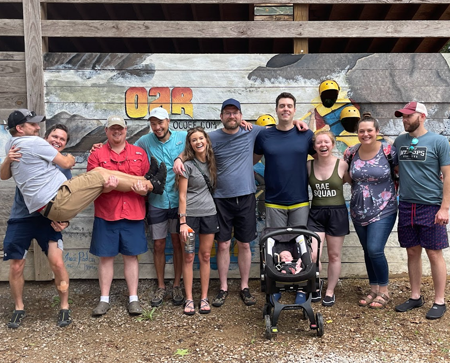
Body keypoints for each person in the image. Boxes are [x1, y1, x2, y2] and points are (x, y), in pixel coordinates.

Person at [174, 98, 309, 308]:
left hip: (246, 196)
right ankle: (224, 287)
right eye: (227, 113)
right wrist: (179, 159)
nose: (231, 116)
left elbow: (281, 127)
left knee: (245, 244)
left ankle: (245, 286)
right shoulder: (212, 137)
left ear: (241, 115)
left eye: (235, 112)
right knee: (224, 244)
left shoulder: (253, 131)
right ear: (221, 117)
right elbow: (194, 146)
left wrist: (299, 122)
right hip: (220, 198)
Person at [3, 109, 167, 223]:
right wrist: (70, 157)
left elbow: (5, 175)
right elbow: (67, 163)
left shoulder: (11, 144)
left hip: (52, 203)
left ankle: (146, 179)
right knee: (102, 175)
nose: (38, 127)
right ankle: (152, 184)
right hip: (55, 201)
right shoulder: (33, 142)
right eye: (33, 124)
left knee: (100, 171)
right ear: (19, 128)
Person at [1, 121, 73, 328]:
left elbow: (69, 199)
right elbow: (4, 175)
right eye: (55, 137)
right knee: (16, 265)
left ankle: (65, 307)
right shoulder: (25, 152)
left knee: (57, 263)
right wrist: (7, 160)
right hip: (21, 218)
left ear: (64, 145)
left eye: (62, 139)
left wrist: (66, 221)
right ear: (45, 138)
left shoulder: (62, 168)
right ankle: (18, 308)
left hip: (47, 219)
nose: (57, 141)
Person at [254, 92, 316, 304]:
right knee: (275, 246)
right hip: (273, 200)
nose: (286, 109)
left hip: (299, 200)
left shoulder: (306, 135)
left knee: (301, 245)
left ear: (294, 109)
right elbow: (251, 159)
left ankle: (301, 289)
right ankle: (275, 286)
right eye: (282, 106)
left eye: (289, 106)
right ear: (277, 109)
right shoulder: (265, 135)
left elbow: (322, 158)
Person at [393, 102, 450, 320]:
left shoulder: (438, 142)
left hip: (431, 205)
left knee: (434, 252)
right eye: (403, 117)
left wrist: (445, 207)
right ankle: (415, 296)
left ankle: (439, 300)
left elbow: (447, 175)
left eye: (409, 116)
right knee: (412, 251)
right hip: (407, 204)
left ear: (422, 116)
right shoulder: (400, 141)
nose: (405, 120)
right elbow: (397, 168)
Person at [88, 116, 149, 317]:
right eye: (112, 129)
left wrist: (143, 190)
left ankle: (133, 299)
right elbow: (90, 187)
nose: (117, 132)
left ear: (126, 130)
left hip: (133, 212)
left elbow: (148, 183)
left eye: (120, 128)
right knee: (106, 257)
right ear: (106, 131)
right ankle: (104, 299)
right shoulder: (96, 155)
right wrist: (105, 189)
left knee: (131, 256)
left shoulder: (139, 153)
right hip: (107, 213)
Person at [344, 112, 398, 309]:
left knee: (375, 249)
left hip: (384, 208)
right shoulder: (351, 152)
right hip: (358, 210)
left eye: (369, 131)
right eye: (361, 131)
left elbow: (401, 173)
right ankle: (373, 289)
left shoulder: (389, 152)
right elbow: (348, 177)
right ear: (357, 133)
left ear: (377, 132)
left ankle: (384, 291)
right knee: (368, 250)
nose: (365, 134)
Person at [134, 107, 186, 307]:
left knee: (177, 243)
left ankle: (176, 284)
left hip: (178, 200)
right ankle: (161, 285)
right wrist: (98, 147)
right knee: (158, 244)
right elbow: (127, 151)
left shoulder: (182, 137)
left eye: (160, 122)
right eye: (153, 123)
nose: (157, 127)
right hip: (157, 202)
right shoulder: (145, 141)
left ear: (168, 121)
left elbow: (203, 143)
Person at [178, 127, 219, 315]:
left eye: (201, 138)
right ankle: (188, 299)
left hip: (209, 214)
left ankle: (203, 297)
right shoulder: (186, 165)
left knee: (205, 256)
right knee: (188, 256)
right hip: (190, 218)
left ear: (207, 140)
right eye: (194, 140)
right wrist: (183, 222)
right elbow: (182, 195)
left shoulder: (212, 161)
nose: (198, 142)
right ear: (190, 144)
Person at [307, 130, 349, 307]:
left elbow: (354, 183)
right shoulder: (308, 165)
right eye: (319, 142)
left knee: (334, 255)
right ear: (314, 146)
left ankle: (330, 291)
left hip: (337, 213)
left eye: (326, 142)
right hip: (316, 213)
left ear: (332, 144)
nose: (323, 145)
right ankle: (315, 285)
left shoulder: (342, 165)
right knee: (312, 254)